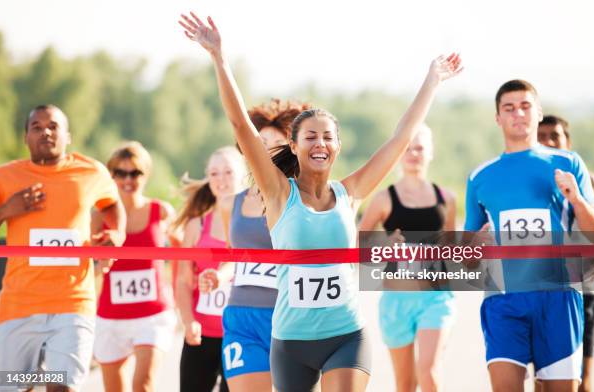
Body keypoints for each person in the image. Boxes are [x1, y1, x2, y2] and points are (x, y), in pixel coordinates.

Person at [179, 11, 462, 391]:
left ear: (337, 146)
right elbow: (241, 128)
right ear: (293, 147)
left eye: (327, 137)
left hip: (346, 335)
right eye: (310, 136)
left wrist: (433, 80)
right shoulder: (278, 194)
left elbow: (399, 138)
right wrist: (219, 57)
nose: (320, 143)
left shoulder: (352, 193)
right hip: (291, 342)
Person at [464, 81, 594, 392]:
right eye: (509, 107)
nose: (518, 113)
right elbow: (468, 256)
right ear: (498, 118)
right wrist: (474, 246)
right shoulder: (480, 176)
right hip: (503, 300)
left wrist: (577, 200)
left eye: (526, 106)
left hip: (559, 298)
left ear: (538, 112)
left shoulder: (568, 163)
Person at [0, 104, 126, 391]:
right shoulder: (5, 177)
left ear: (68, 136)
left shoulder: (91, 171)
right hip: (19, 302)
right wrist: (7, 209)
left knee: (63, 385)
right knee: (13, 385)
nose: (46, 131)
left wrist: (116, 232)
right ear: (25, 138)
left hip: (73, 301)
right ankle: (35, 377)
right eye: (37, 127)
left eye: (54, 126)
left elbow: (112, 205)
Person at [201, 99, 310, 392]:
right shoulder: (230, 203)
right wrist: (218, 275)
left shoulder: (300, 199)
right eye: (260, 142)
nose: (267, 151)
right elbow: (233, 257)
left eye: (276, 144)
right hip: (243, 314)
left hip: (291, 314)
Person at [358, 124, 457, 392]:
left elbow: (452, 248)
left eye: (420, 148)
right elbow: (357, 244)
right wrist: (383, 244)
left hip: (436, 297)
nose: (414, 154)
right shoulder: (383, 199)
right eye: (408, 148)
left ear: (431, 152)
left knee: (428, 372)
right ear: (399, 153)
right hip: (396, 300)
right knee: (405, 384)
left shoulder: (447, 198)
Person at [91, 141, 178, 392]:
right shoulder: (98, 216)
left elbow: (185, 254)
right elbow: (84, 269)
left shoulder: (161, 212)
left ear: (145, 175)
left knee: (143, 385)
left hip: (152, 315)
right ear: (111, 176)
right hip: (111, 317)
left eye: (135, 172)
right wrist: (101, 265)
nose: (128, 179)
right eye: (121, 173)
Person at [538, 115, 594, 392]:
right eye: (542, 135)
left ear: (568, 142)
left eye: (555, 135)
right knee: (543, 379)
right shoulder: (534, 181)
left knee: (582, 378)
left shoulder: (588, 179)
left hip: (584, 290)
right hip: (542, 289)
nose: (548, 141)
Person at [174, 146, 246, 392]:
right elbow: (183, 280)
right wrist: (188, 321)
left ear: (243, 176)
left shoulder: (256, 224)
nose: (221, 180)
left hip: (242, 335)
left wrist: (222, 276)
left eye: (228, 172)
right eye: (214, 173)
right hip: (202, 333)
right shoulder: (197, 225)